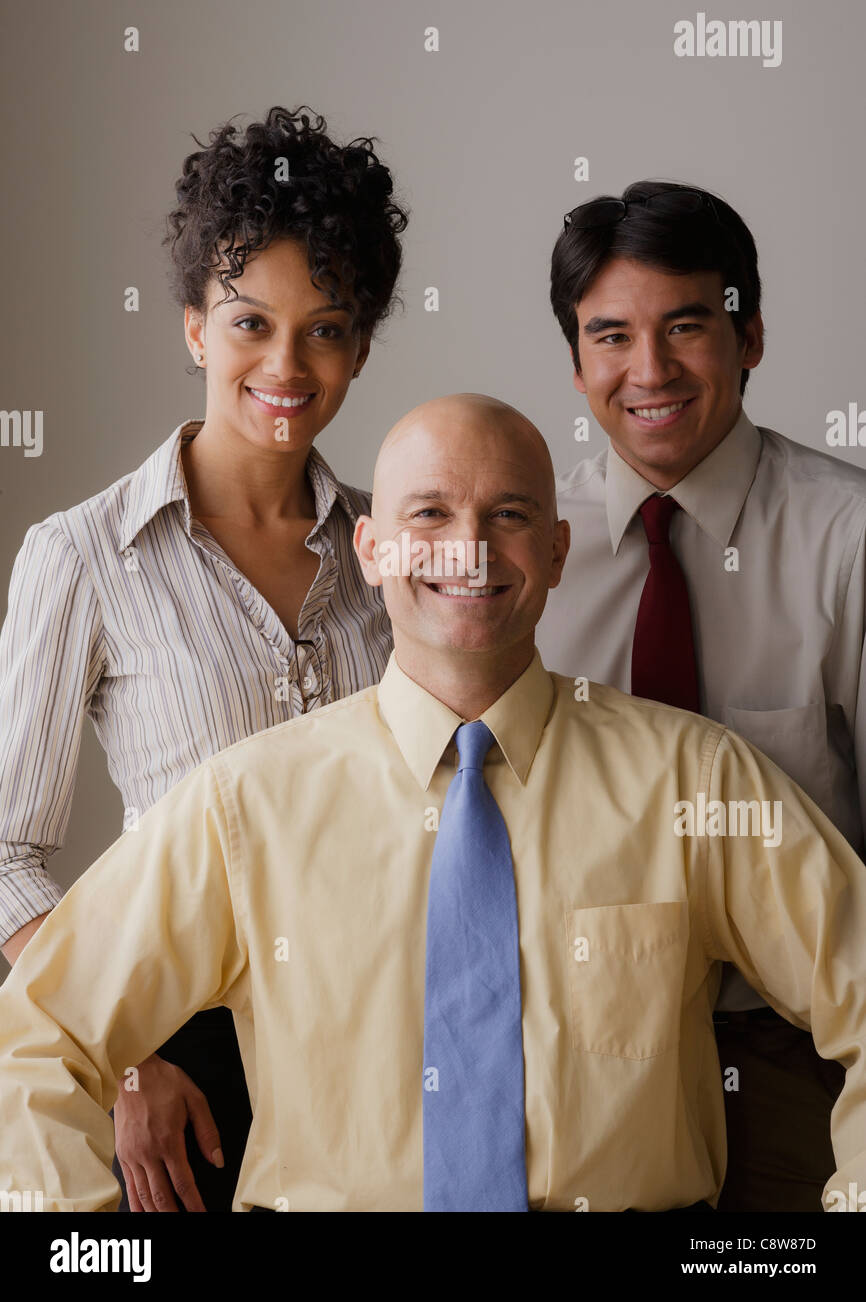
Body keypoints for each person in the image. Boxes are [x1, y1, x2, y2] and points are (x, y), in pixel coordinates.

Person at [1, 393, 865, 1213]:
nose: (468, 549)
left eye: (510, 515)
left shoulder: (695, 783)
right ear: (370, 549)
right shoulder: (245, 807)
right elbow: (37, 1042)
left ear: (560, 550)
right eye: (430, 515)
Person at [0, 104, 407, 1211]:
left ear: (361, 344)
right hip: (183, 1061)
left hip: (378, 1042)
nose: (285, 364)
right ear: (191, 324)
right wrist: (124, 1050)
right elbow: (2, 854)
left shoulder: (394, 550)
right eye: (248, 323)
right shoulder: (79, 556)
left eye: (324, 328)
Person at [537, 179, 866, 1210]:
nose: (648, 371)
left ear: (749, 333)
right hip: (585, 1065)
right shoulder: (521, 555)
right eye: (610, 336)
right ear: (576, 361)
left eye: (686, 325)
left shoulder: (846, 541)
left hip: (798, 1057)